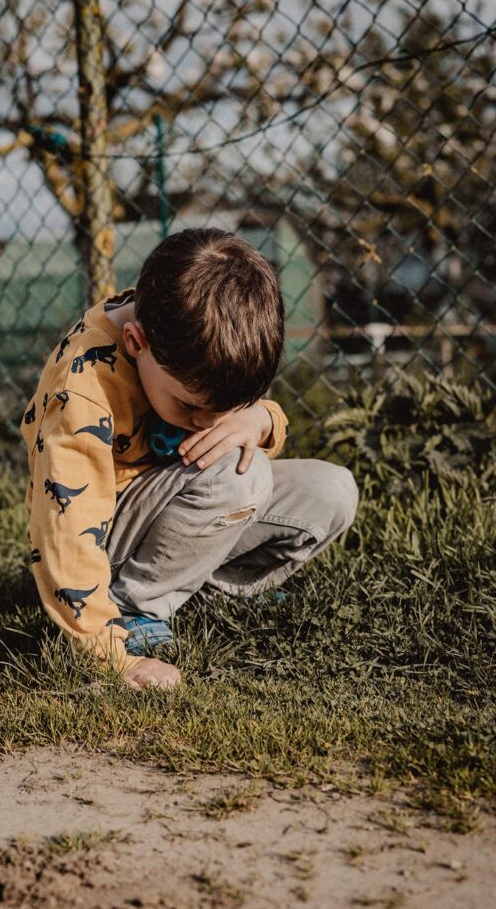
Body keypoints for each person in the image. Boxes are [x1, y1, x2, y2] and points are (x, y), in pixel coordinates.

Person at [20, 228, 358, 692]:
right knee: (241, 476)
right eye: (190, 407)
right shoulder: (83, 390)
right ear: (137, 343)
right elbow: (65, 527)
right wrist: (108, 656)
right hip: (108, 543)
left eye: (223, 409)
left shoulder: (189, 339)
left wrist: (257, 420)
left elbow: (247, 428)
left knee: (333, 490)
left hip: (183, 509)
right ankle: (133, 610)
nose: (207, 423)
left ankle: (205, 591)